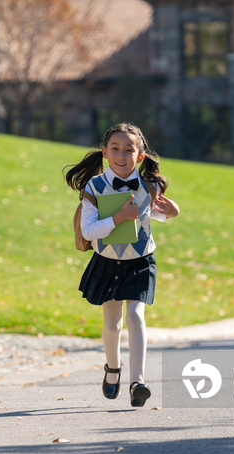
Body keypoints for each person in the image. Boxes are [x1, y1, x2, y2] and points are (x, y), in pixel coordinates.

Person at [64, 123, 180, 407]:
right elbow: (89, 231)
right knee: (113, 324)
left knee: (135, 317)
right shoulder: (94, 187)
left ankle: (137, 382)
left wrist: (173, 211)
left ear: (140, 156)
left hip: (141, 261)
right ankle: (113, 369)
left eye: (129, 150)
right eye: (115, 148)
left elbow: (156, 214)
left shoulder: (147, 186)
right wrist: (120, 217)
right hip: (108, 262)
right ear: (104, 153)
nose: (122, 154)